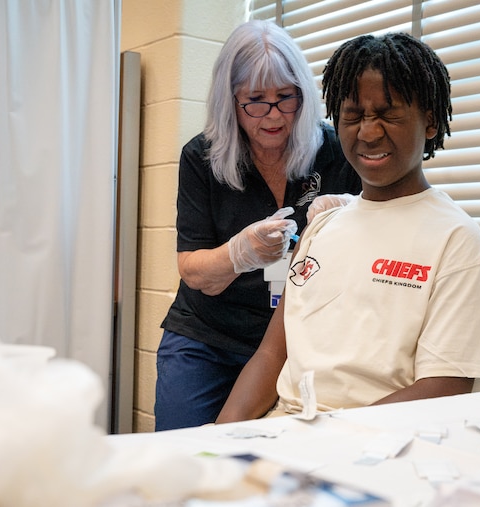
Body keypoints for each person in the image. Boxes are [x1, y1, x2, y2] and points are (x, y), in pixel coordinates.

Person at [216, 32, 480, 423]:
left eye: (388, 114)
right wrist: (218, 440)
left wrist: (324, 443)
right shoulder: (322, 227)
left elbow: (444, 389)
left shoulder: (456, 239)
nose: (368, 132)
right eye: (353, 116)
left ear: (431, 122)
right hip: (284, 435)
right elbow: (272, 355)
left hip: (381, 448)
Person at [155, 20, 362, 430]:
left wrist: (351, 210)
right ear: (229, 101)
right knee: (182, 453)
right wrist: (239, 254)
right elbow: (193, 270)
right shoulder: (202, 158)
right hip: (207, 337)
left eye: (286, 98)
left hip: (295, 340)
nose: (273, 116)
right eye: (255, 100)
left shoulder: (334, 151)